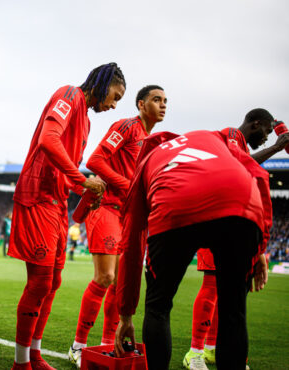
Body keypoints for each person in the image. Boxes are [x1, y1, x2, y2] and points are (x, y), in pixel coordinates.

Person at [114, 127, 272, 370]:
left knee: (158, 307)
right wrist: (261, 245)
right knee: (234, 312)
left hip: (175, 205)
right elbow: (256, 173)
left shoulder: (146, 161)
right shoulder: (211, 136)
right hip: (240, 201)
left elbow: (132, 243)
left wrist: (125, 314)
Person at [7, 63, 126, 370]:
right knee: (40, 282)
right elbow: (48, 139)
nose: (113, 105)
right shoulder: (69, 94)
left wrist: (85, 184)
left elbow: (68, 172)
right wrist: (84, 178)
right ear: (102, 83)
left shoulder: (85, 121)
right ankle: (20, 364)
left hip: (57, 202)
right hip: (37, 196)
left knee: (54, 282)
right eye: (115, 95)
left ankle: (34, 354)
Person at [68, 85, 167, 368]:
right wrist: (130, 186)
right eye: (156, 99)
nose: (162, 105)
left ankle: (108, 343)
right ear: (140, 104)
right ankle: (78, 345)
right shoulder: (126, 126)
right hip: (107, 208)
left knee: (120, 287)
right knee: (106, 277)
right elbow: (95, 160)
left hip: (131, 217)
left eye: (165, 101)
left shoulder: (154, 141)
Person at [182, 109, 289, 370]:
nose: (266, 138)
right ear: (256, 124)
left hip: (228, 215)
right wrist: (277, 147)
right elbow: (238, 162)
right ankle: (193, 352)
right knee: (211, 286)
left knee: (224, 290)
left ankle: (211, 349)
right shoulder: (232, 134)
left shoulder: (241, 143)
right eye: (266, 131)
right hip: (212, 209)